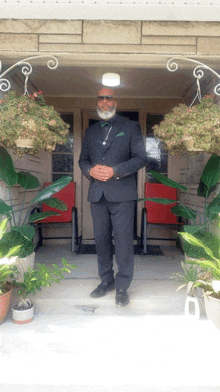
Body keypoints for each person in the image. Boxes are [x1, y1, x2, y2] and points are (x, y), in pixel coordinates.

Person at [79, 87, 147, 306]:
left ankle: (122, 286)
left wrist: (115, 171)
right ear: (97, 102)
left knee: (124, 242)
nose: (105, 102)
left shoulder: (130, 127)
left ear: (115, 101)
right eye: (101, 98)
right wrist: (89, 170)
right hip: (97, 194)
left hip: (123, 195)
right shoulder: (91, 131)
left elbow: (140, 158)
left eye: (109, 98)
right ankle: (105, 281)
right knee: (101, 241)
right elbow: (83, 160)